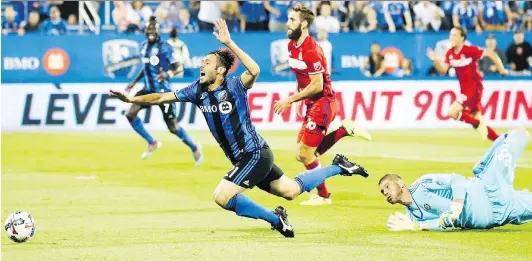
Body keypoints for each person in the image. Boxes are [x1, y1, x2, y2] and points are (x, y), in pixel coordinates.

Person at [110, 19, 370, 238]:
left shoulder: (235, 86)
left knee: (222, 196)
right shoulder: (196, 91)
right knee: (290, 190)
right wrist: (132, 99)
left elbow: (254, 69)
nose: (202, 65)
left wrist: (229, 43)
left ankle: (276, 220)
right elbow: (159, 97)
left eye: (208, 63)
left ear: (221, 70)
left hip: (253, 153)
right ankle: (339, 166)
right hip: (248, 156)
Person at [274, 4, 371, 206]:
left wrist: (290, 100)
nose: (287, 23)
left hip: (322, 103)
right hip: (311, 104)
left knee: (306, 154)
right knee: (302, 155)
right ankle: (344, 130)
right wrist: (300, 100)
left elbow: (317, 86)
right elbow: (301, 78)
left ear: (304, 23)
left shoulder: (311, 50)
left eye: (292, 20)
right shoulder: (292, 45)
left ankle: (324, 196)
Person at [379, 128, 532, 231]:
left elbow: (457, 179)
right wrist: (416, 227)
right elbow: (445, 225)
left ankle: (487, 163)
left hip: (489, 188)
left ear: (400, 182)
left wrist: (457, 204)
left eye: (387, 186)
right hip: (498, 215)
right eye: (382, 191)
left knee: (518, 135)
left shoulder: (422, 185)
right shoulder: (413, 217)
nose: (385, 192)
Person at [124, 17, 202, 163]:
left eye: (154, 30)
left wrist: (167, 74)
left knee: (173, 128)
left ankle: (194, 147)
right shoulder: (143, 46)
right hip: (147, 90)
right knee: (130, 114)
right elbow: (146, 67)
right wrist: (133, 83)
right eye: (149, 30)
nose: (151, 32)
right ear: (146, 31)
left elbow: (176, 65)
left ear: (158, 32)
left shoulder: (164, 46)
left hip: (163, 93)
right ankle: (152, 142)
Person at [426, 27, 507, 142]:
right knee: (476, 120)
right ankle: (500, 141)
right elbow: (443, 71)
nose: (451, 38)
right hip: (465, 90)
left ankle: (478, 123)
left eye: (454, 35)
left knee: (452, 112)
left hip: (474, 89)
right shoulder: (450, 53)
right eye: (450, 35)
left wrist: (501, 69)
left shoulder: (468, 50)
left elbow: (490, 53)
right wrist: (434, 60)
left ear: (462, 38)